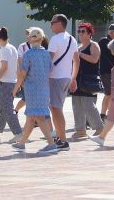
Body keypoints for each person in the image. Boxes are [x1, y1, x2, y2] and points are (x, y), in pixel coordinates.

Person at [12, 27, 59, 153]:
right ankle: (22, 143)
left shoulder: (28, 54)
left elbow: (22, 73)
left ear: (32, 39)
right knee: (31, 117)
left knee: (38, 117)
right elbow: (49, 70)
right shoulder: (46, 54)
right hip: (43, 89)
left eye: (30, 36)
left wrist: (15, 88)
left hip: (32, 89)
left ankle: (51, 143)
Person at [69, 22, 102, 140]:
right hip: (77, 79)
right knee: (76, 105)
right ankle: (80, 130)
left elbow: (94, 59)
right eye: (79, 31)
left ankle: (99, 128)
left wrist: (80, 55)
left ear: (89, 33)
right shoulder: (78, 47)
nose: (80, 34)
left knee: (88, 105)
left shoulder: (94, 45)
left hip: (89, 80)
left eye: (83, 31)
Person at [47, 14, 75, 150]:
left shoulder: (55, 39)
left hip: (56, 77)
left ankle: (63, 140)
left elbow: (48, 60)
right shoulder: (72, 39)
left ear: (59, 23)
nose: (51, 25)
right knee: (56, 108)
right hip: (66, 77)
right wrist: (73, 78)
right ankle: (60, 137)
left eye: (52, 22)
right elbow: (77, 60)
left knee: (56, 109)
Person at [0, 27, 22, 143]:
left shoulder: (4, 50)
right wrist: (19, 82)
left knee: (7, 109)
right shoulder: (12, 48)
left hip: (4, 82)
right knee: (2, 108)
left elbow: (4, 66)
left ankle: (18, 133)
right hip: (12, 82)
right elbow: (17, 67)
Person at [98, 23, 114, 120]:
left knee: (110, 94)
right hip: (106, 71)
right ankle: (105, 115)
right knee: (109, 93)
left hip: (112, 71)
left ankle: (106, 115)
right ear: (112, 33)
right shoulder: (104, 41)